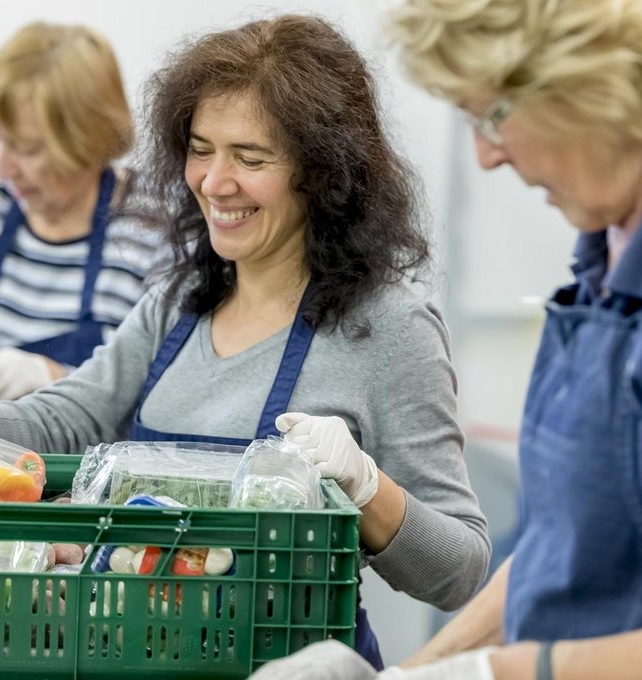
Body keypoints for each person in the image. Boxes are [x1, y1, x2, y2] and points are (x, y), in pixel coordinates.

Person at [0, 14, 490, 669]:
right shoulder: (179, 301)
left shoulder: (389, 326)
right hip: (136, 656)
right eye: (201, 148)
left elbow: (460, 570)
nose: (215, 182)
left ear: (322, 173)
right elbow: (69, 415)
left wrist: (365, 486)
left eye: (251, 158)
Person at [250, 0, 642, 678]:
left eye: (492, 117)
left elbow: (461, 562)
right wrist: (415, 671)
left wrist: (498, 672)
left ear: (592, 89)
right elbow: (563, 544)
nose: (487, 156)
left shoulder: (397, 322)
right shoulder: (599, 272)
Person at [0, 22, 160, 402]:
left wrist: (53, 377)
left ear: (90, 139)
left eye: (28, 148)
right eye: (1, 142)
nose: (5, 170)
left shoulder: (152, 229)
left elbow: (159, 401)